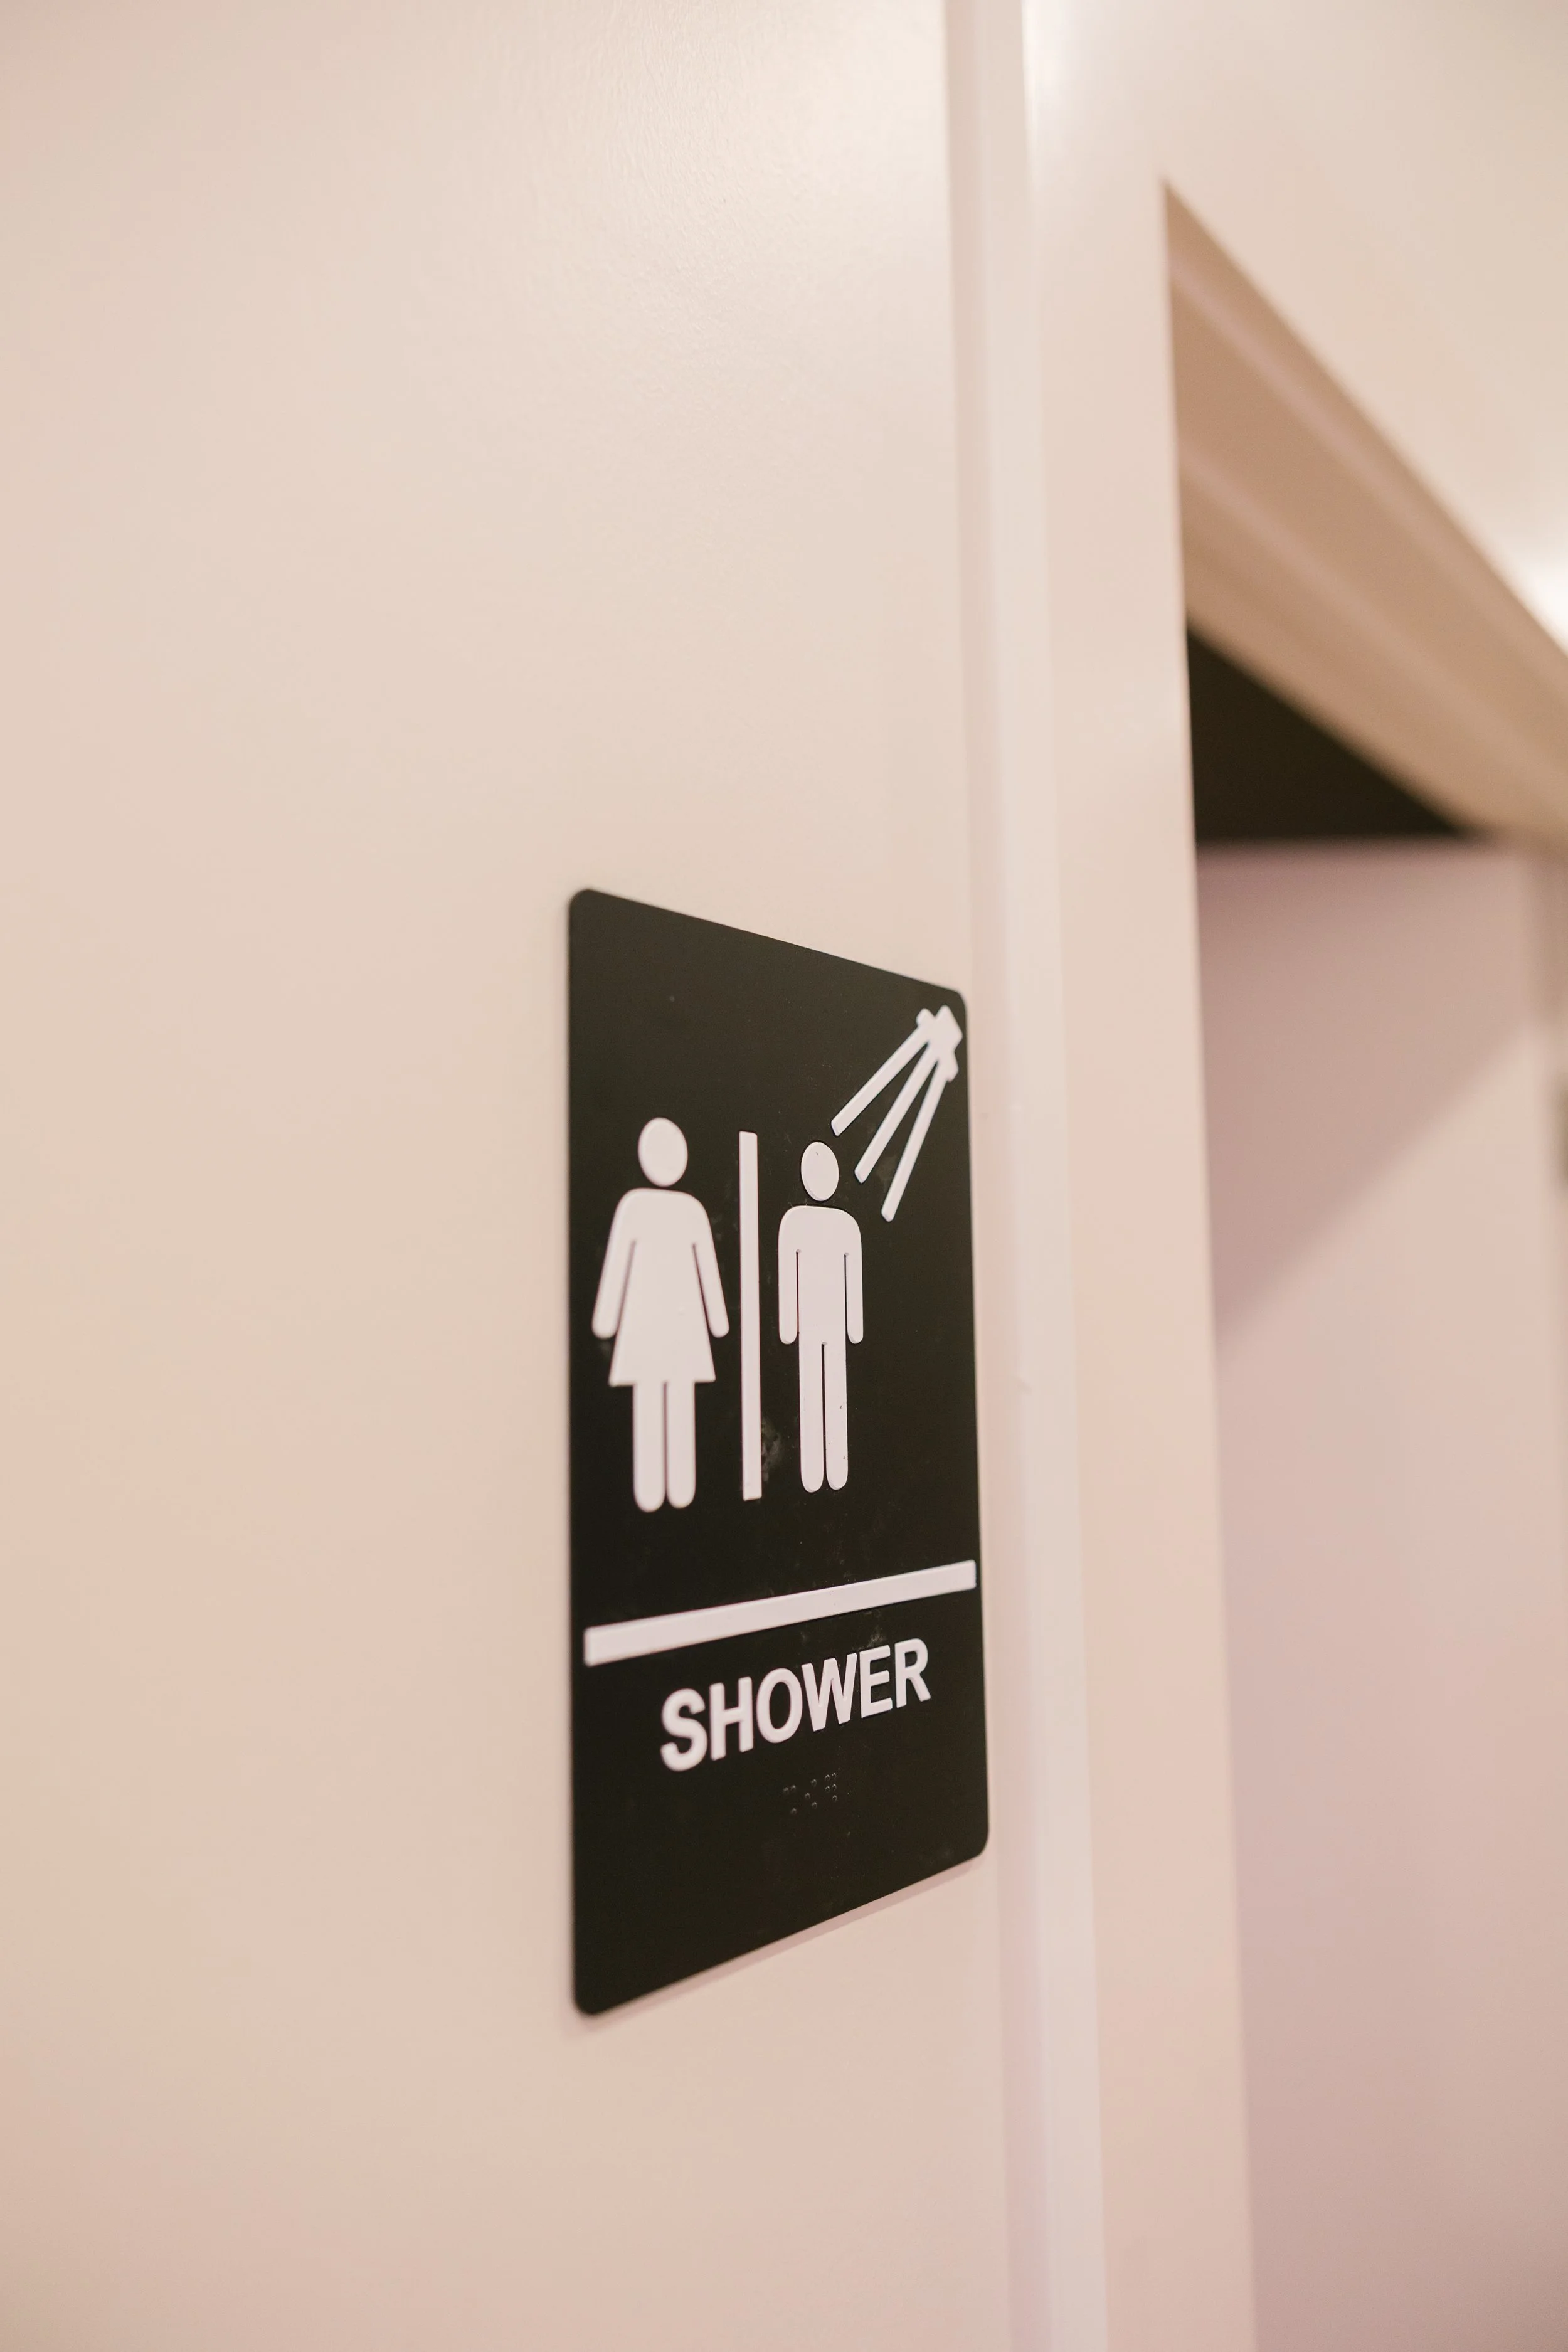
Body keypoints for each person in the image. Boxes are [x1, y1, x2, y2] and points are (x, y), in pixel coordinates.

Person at [592, 1118, 728, 1512]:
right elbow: (619, 1266)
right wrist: (717, 1322)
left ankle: (670, 1485)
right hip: (665, 1326)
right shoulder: (667, 1210)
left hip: (655, 1326)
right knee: (661, 1395)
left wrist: (607, 1319)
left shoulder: (662, 1210)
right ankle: (659, 1487)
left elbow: (706, 1270)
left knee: (668, 1395)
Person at [778, 1142, 863, 1493]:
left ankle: (835, 1465)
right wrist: (788, 1324)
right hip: (816, 1324)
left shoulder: (841, 1226)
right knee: (814, 1388)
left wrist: (854, 1326)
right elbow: (788, 1273)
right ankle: (814, 1469)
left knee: (829, 1387)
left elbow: (852, 1276)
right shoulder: (797, 1222)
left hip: (828, 1322)